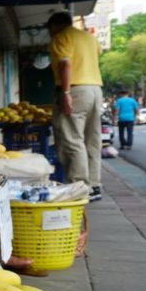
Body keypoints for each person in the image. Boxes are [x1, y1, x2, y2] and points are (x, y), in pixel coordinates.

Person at [46, 11, 104, 201]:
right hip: (95, 90)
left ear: (54, 26)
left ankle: (81, 187)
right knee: (92, 140)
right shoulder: (90, 38)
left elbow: (65, 65)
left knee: (72, 140)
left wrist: (65, 93)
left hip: (75, 89)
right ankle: (94, 185)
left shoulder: (61, 37)